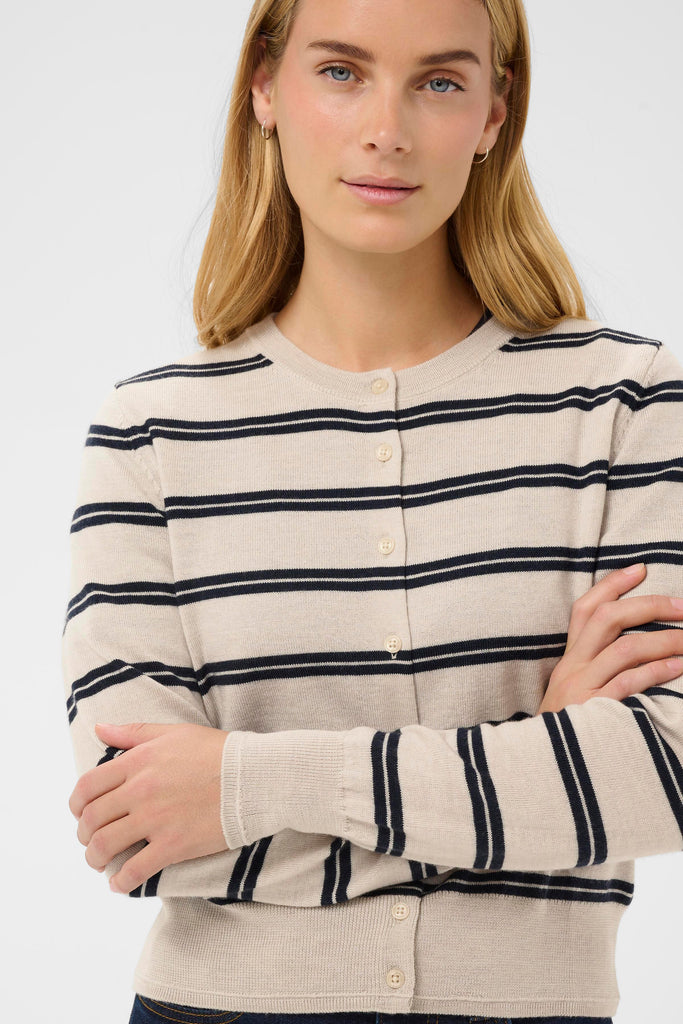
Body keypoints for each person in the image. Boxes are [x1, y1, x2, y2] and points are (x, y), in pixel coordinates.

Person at [61, 1, 683, 1023]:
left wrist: (241, 786)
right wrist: (538, 755)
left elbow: (659, 773)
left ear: (493, 112)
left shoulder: (623, 404)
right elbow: (136, 827)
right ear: (265, 88)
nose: (386, 129)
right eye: (341, 72)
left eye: (438, 82)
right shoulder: (152, 433)